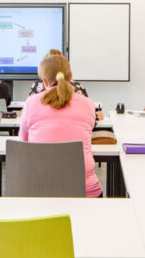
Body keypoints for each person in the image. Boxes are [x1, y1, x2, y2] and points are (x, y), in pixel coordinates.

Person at [19, 55, 101, 198]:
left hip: (38, 188)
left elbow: (23, 145)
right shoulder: (88, 104)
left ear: (44, 81)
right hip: (83, 190)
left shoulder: (31, 103)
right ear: (71, 77)